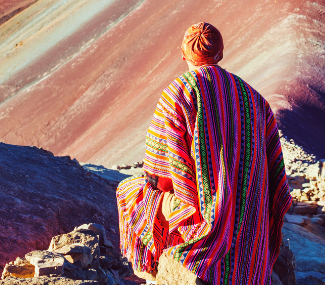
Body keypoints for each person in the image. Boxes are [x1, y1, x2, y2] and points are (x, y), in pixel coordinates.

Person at [116, 22, 292, 285]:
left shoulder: (177, 93)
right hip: (250, 223)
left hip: (199, 217)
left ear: (183, 54)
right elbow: (275, 173)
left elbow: (158, 177)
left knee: (128, 191)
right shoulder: (255, 99)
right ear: (220, 53)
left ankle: (155, 271)